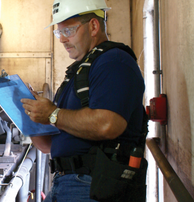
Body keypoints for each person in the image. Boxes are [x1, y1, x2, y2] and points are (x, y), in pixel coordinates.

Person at [21, 0, 147, 201]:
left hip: (93, 185)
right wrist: (27, 114)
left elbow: (108, 124)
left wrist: (53, 114)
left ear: (94, 26)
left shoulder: (113, 61)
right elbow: (48, 146)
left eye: (68, 31)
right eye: (59, 32)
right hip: (67, 183)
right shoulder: (79, 72)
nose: (62, 39)